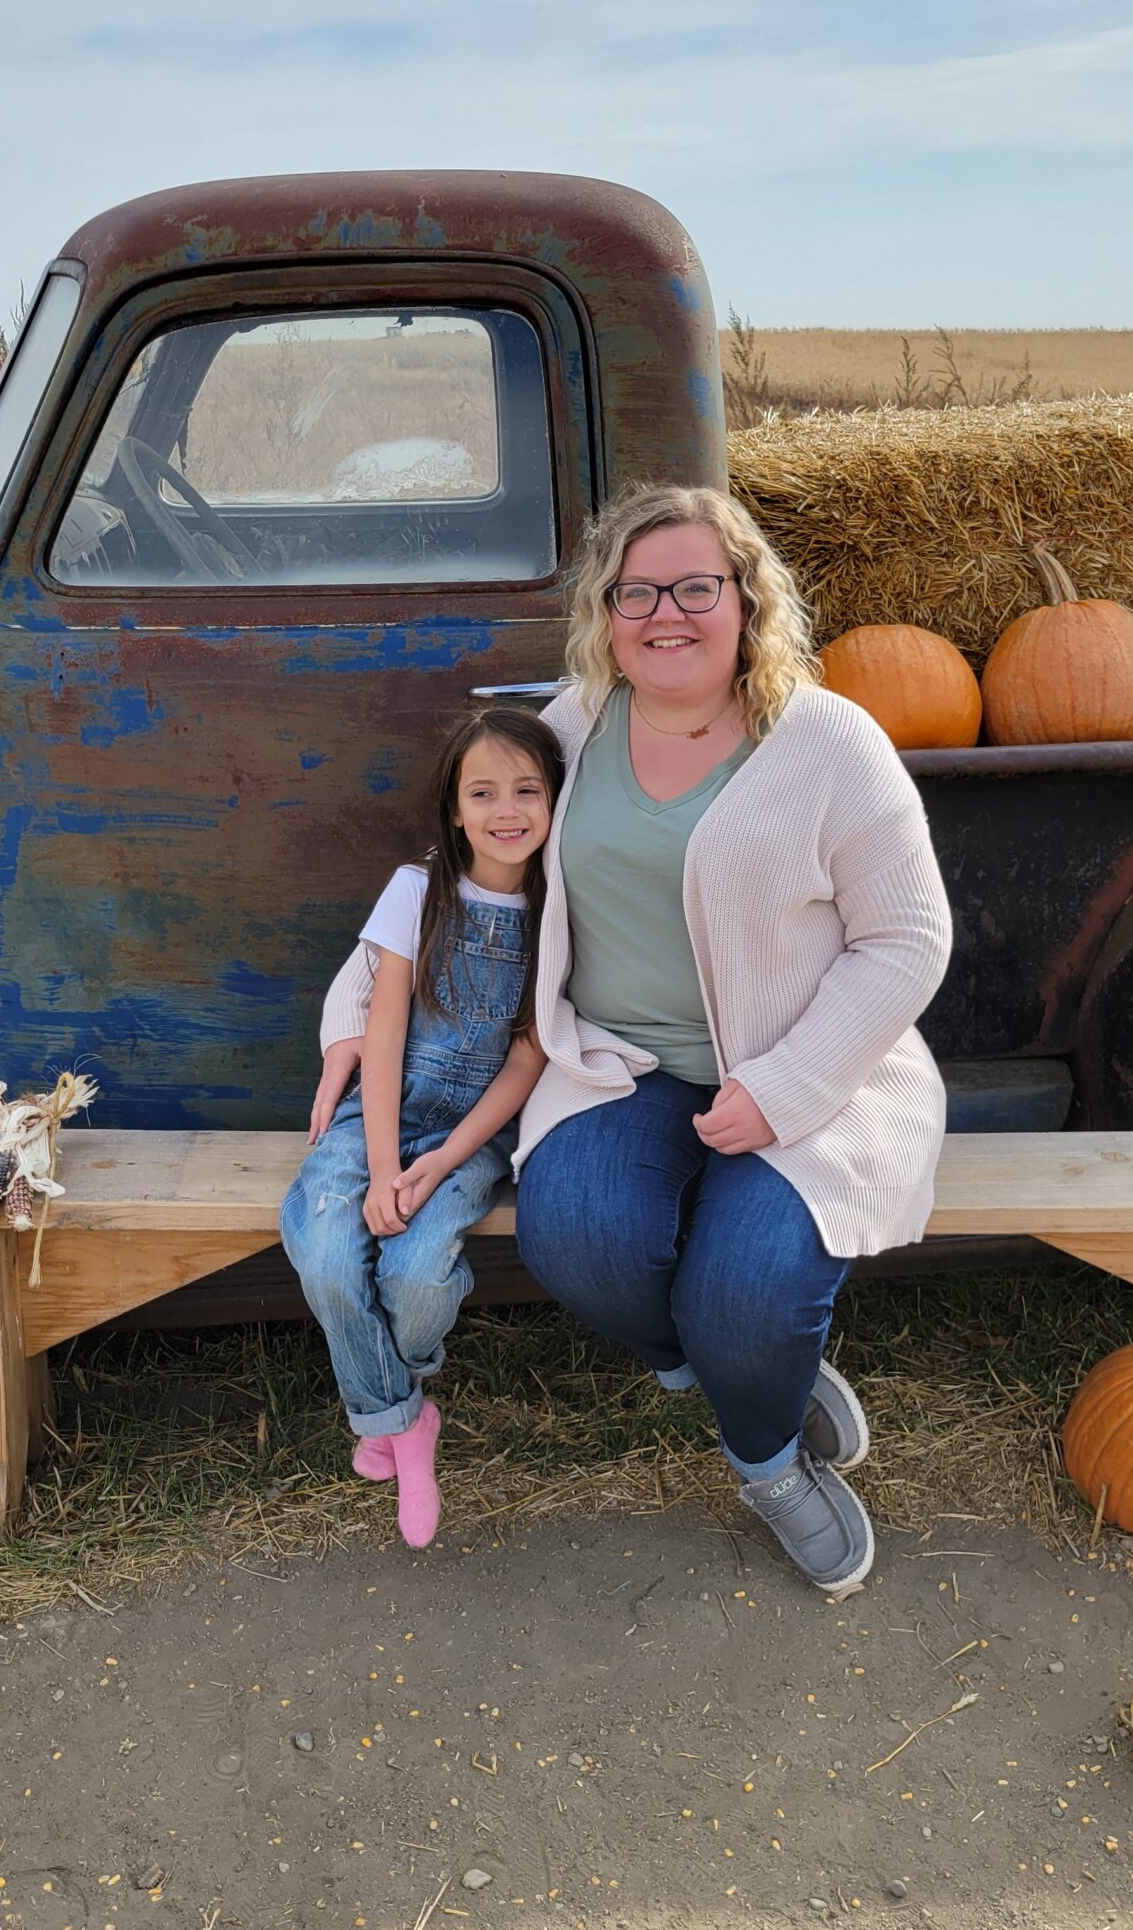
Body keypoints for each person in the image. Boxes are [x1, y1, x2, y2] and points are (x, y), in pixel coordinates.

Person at [313, 483, 950, 1594]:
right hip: (615, 1060)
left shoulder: (829, 742)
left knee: (745, 1290)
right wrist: (343, 1028)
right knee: (582, 1240)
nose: (668, 613)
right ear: (606, 614)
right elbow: (446, 885)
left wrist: (790, 1084)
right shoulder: (571, 727)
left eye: (697, 586)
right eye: (637, 592)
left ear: (747, 601)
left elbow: (908, 937)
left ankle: (766, 1458)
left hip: (807, 1070)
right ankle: (746, 1378)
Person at [283, 707, 563, 1547]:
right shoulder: (417, 892)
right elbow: (385, 1028)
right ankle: (406, 1425)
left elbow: (525, 1062)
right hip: (383, 1116)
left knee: (414, 1281)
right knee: (330, 1256)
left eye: (527, 789)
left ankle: (386, 1413)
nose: (505, 809)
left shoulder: (560, 916)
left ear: (554, 800)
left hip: (469, 1141)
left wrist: (439, 1164)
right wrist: (378, 1168)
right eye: (483, 791)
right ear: (454, 807)